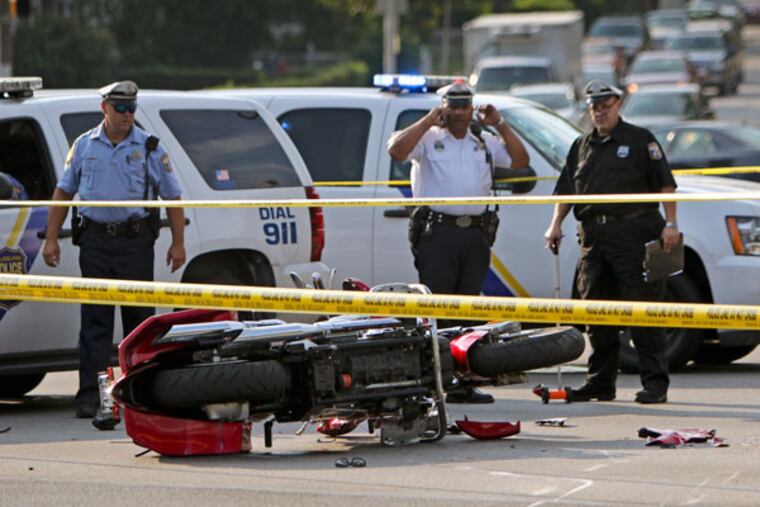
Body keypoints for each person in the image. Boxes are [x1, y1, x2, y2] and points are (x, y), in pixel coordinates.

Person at [42, 81, 187, 418]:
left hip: (135, 242)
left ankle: (143, 395)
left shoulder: (149, 147)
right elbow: (63, 192)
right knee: (95, 322)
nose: (127, 115)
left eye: (132, 108)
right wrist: (51, 238)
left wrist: (178, 243)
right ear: (104, 108)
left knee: (139, 322)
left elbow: (173, 197)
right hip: (95, 242)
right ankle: (91, 396)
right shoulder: (83, 146)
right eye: (120, 108)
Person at [388, 80, 530, 403]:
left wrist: (500, 124)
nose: (460, 112)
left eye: (465, 105)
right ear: (443, 107)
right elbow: (396, 150)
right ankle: (439, 382)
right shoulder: (428, 139)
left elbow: (520, 160)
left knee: (469, 307)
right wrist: (427, 120)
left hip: (475, 233)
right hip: (438, 233)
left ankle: (464, 382)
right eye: (453, 105)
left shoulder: (482, 140)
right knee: (439, 308)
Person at [544, 80, 679, 405]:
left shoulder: (640, 140)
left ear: (618, 105)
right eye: (594, 107)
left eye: (606, 106)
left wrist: (671, 224)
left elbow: (665, 185)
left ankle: (655, 384)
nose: (600, 112)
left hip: (635, 235)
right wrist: (555, 224)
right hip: (594, 240)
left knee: (643, 312)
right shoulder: (582, 145)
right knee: (597, 314)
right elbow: (566, 191)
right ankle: (600, 383)